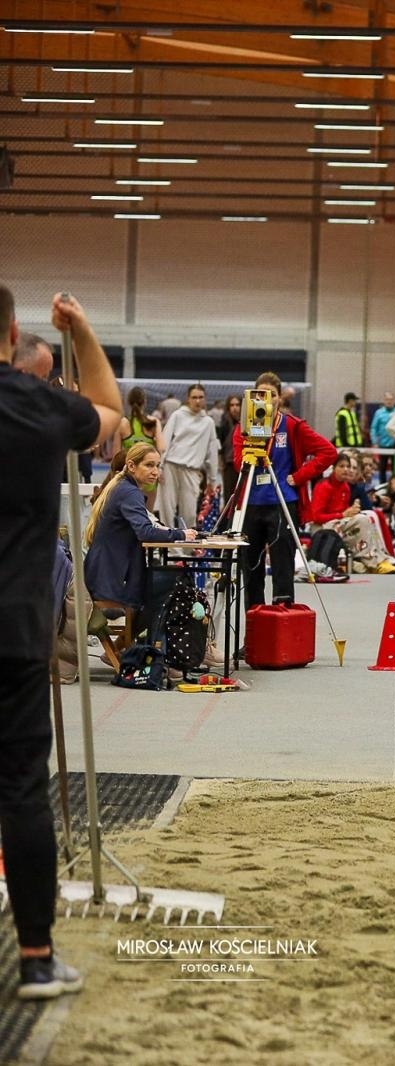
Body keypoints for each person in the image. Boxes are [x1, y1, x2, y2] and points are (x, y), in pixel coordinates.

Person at [1, 287, 122, 1000]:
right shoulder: (40, 407)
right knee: (22, 791)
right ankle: (37, 958)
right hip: (14, 628)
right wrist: (80, 329)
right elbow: (108, 408)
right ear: (13, 331)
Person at [84, 441, 198, 665]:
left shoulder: (122, 487)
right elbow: (145, 532)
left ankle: (129, 648)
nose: (156, 471)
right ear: (131, 466)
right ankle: (159, 655)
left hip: (108, 574)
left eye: (158, 466)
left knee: (168, 582)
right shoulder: (129, 492)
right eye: (149, 465)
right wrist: (181, 534)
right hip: (111, 581)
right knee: (177, 583)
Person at [231, 372, 336, 608]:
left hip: (282, 502)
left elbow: (328, 452)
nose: (266, 400)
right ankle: (255, 623)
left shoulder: (292, 426)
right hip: (251, 504)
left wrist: (299, 477)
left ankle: (282, 617)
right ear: (252, 397)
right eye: (261, 395)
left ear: (280, 398)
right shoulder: (242, 428)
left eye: (272, 395)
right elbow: (238, 464)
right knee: (251, 568)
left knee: (282, 566)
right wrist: (253, 443)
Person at [156, 382, 220, 528]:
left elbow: (212, 453)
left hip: (192, 471)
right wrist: (159, 466)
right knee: (167, 510)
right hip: (170, 467)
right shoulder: (177, 415)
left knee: (190, 513)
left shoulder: (208, 422)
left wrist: (212, 480)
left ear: (205, 399)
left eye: (201, 397)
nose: (197, 401)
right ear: (188, 399)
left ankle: (187, 542)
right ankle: (167, 542)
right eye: (194, 397)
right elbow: (165, 440)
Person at [119, 385, 166, 455]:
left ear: (128, 402)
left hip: (129, 460)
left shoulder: (121, 422)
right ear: (145, 402)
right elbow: (161, 448)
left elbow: (116, 453)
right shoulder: (153, 421)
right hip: (147, 460)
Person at [216, 393, 241, 506]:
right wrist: (221, 461)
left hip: (244, 461)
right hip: (229, 463)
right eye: (232, 405)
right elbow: (220, 444)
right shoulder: (225, 423)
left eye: (237, 405)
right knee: (229, 494)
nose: (234, 408)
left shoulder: (247, 422)